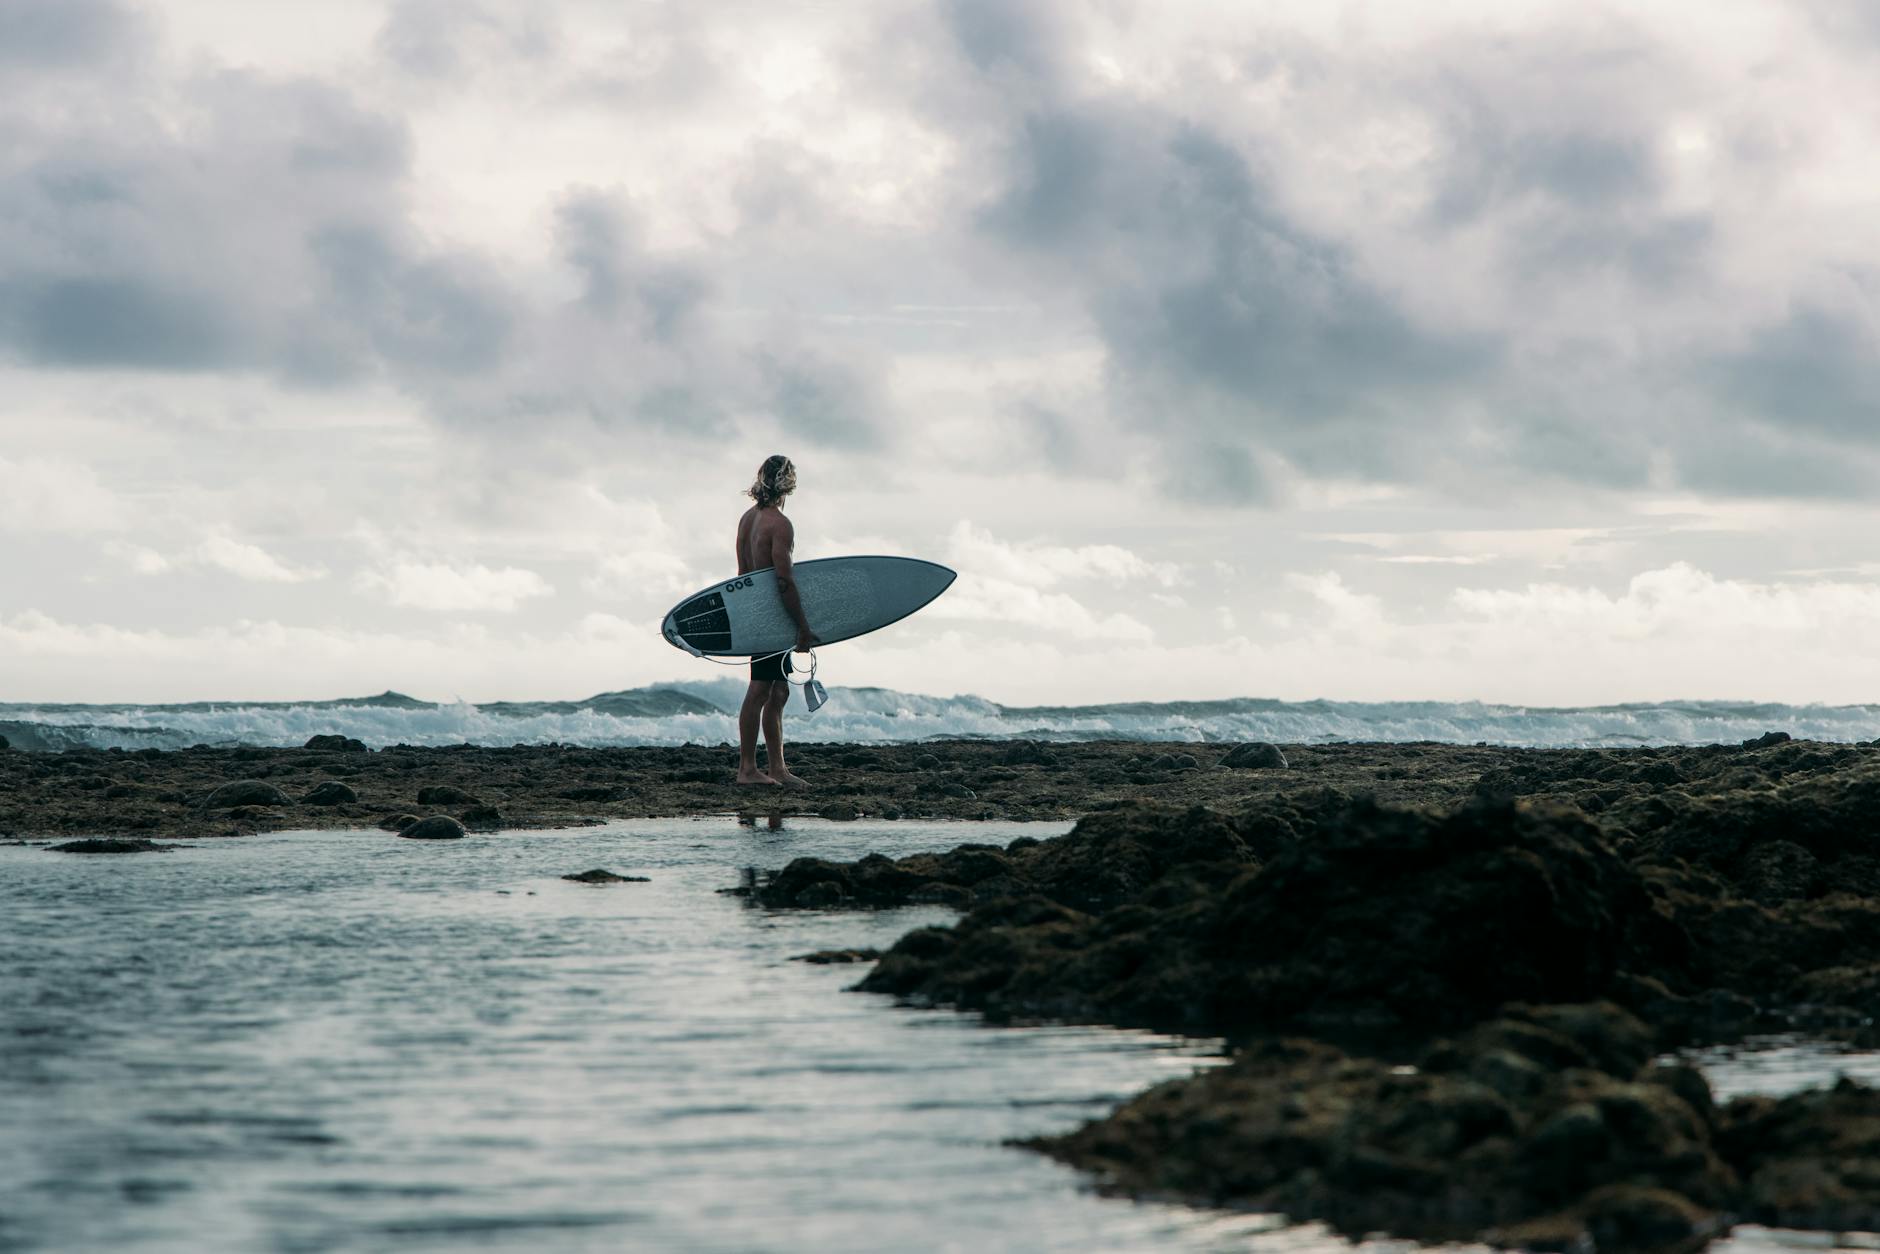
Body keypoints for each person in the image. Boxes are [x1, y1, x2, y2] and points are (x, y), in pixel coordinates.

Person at [735, 455, 818, 787]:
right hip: (772, 616)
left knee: (779, 690)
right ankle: (747, 770)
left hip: (755, 610)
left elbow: (742, 574)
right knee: (760, 689)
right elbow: (783, 581)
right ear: (789, 485)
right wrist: (802, 626)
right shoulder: (779, 525)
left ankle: (777, 768)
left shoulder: (747, 519)